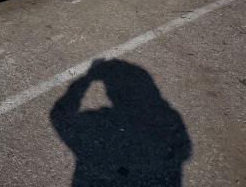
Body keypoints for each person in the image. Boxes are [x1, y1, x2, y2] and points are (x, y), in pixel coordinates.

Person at [50, 59, 191, 187]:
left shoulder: (99, 121)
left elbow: (60, 117)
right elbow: (183, 150)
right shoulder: (168, 117)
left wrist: (86, 80)